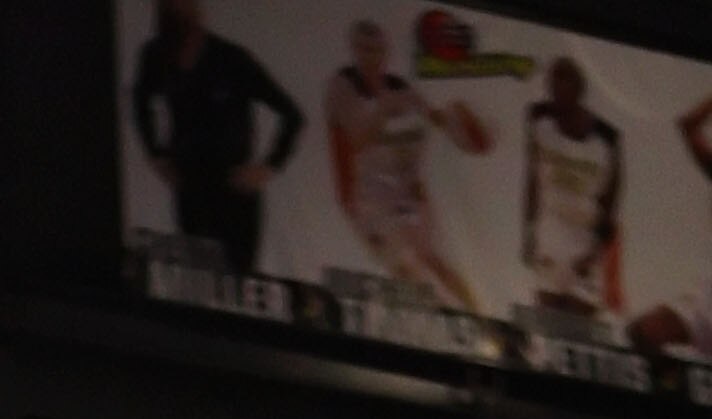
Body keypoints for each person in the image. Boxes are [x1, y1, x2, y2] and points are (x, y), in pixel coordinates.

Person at [131, 0, 305, 274]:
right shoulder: (157, 56)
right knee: (199, 276)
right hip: (191, 186)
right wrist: (156, 154)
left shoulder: (231, 59)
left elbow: (292, 115)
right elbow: (140, 103)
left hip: (233, 187)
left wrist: (269, 166)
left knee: (237, 277)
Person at [324, 17, 486, 310]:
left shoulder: (402, 90)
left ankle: (479, 317)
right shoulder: (343, 86)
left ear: (385, 53)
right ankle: (439, 317)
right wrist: (383, 111)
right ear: (354, 51)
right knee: (405, 270)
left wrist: (458, 120)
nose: (370, 58)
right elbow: (356, 139)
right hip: (370, 200)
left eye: (376, 50)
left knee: (433, 259)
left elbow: (437, 120)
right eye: (364, 50)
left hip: (407, 194)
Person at [523, 59, 623, 317]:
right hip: (549, 239)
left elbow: (610, 206)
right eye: (552, 87)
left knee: (580, 325)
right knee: (547, 322)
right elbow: (533, 180)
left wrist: (595, 253)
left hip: (584, 244)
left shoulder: (606, 139)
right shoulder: (539, 122)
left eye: (563, 87)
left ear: (579, 90)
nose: (556, 94)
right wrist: (529, 233)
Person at [630, 95, 712, 355]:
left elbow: (689, 126)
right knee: (640, 333)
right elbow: (688, 125)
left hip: (702, 313)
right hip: (703, 308)